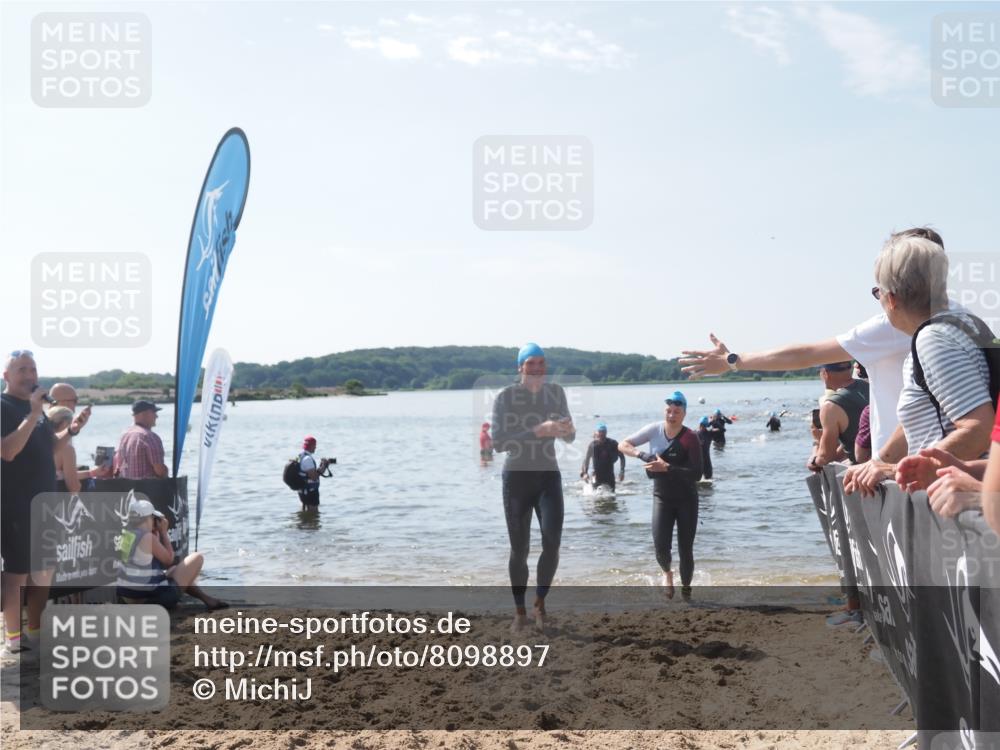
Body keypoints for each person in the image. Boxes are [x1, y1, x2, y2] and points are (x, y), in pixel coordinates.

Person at [678, 227, 950, 495]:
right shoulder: (962, 318)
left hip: (903, 481)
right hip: (939, 472)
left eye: (882, 288)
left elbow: (804, 354)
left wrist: (733, 362)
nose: (882, 298)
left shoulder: (893, 327)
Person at [875, 234, 994, 460]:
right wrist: (880, 463)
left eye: (877, 292)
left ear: (892, 299)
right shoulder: (966, 324)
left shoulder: (933, 340)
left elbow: (979, 431)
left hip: (959, 491)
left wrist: (911, 469)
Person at [491, 343, 575, 633]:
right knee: (520, 548)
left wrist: (566, 429)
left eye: (541, 362)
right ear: (520, 367)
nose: (537, 368)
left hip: (548, 476)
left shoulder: (556, 393)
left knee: (552, 544)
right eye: (531, 363)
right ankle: (519, 611)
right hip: (516, 479)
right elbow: (498, 443)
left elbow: (570, 438)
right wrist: (538, 431)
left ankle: (539, 602)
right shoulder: (506, 397)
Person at [0, 351, 78, 658]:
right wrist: (32, 414)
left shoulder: (38, 411)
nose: (29, 374)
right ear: (6, 375)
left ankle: (36, 631)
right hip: (15, 504)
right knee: (17, 572)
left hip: (45, 504)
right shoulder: (4, 407)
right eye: (22, 369)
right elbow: (7, 451)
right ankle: (13, 637)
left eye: (32, 369)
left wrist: (71, 431)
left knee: (44, 571)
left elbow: (49, 448)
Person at [620, 391, 703, 599]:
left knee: (686, 549)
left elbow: (697, 474)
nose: (671, 415)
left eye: (677, 411)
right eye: (668, 411)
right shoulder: (654, 430)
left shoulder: (690, 437)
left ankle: (686, 590)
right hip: (662, 498)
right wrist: (643, 455)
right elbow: (622, 444)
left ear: (684, 414)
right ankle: (667, 573)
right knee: (661, 548)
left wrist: (668, 468)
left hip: (687, 500)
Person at [117, 499, 225, 609]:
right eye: (154, 518)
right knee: (197, 558)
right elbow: (168, 560)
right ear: (148, 518)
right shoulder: (148, 537)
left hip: (127, 597)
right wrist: (163, 532)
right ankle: (196, 601)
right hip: (148, 600)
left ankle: (207, 599)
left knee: (174, 570)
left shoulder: (126, 534)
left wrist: (155, 534)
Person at [807, 362, 869, 470]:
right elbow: (853, 441)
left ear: (824, 373)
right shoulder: (869, 385)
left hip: (862, 473)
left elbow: (825, 458)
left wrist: (816, 444)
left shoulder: (830, 406)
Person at [114, 400, 168, 480]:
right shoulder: (149, 436)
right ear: (145, 414)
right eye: (154, 412)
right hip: (147, 489)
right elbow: (160, 471)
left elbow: (117, 466)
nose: (156, 416)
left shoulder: (124, 435)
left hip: (128, 489)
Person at [580, 422, 625, 490]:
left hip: (609, 475)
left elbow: (622, 457)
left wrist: (622, 471)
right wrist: (585, 473)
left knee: (612, 496)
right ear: (597, 433)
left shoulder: (612, 443)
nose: (602, 434)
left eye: (603, 432)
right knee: (595, 496)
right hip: (596, 475)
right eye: (600, 432)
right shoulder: (593, 445)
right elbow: (587, 459)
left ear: (606, 432)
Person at [297, 436, 332, 510]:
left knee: (306, 512)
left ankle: (305, 521)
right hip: (310, 491)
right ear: (312, 446)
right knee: (314, 514)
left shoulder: (301, 456)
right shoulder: (308, 459)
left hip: (303, 490)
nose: (315, 447)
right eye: (315, 445)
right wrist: (324, 466)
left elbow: (308, 473)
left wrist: (321, 466)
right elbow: (314, 476)